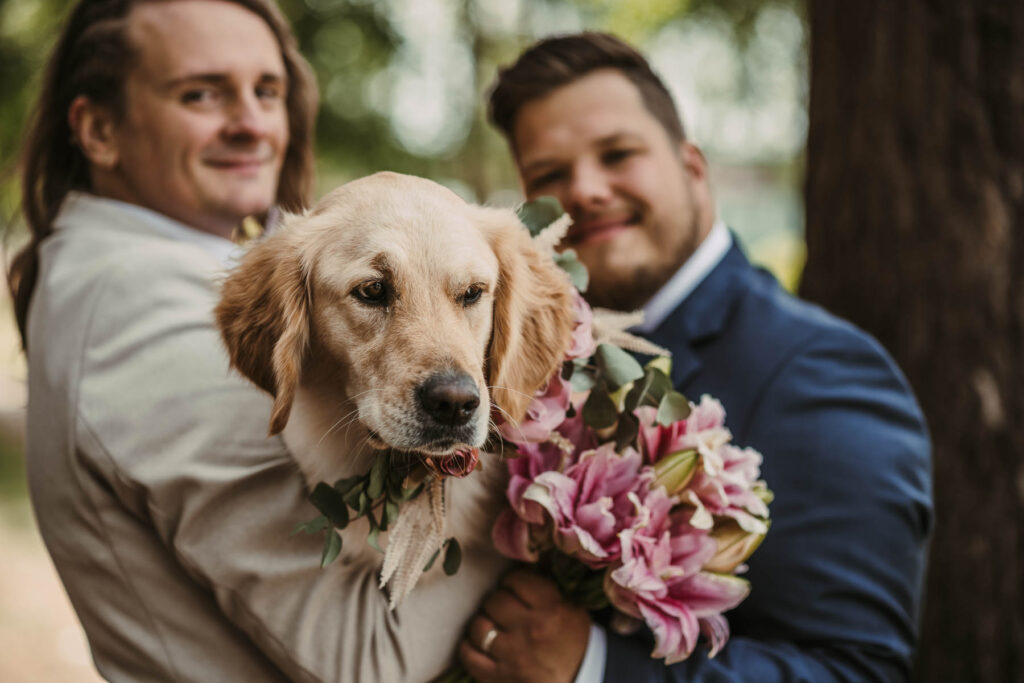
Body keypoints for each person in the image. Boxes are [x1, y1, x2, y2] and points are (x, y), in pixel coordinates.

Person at [7, 1, 506, 680]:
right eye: (202, 93)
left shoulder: (121, 270)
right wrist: (538, 502)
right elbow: (367, 660)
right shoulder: (137, 309)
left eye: (267, 91)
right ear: (98, 130)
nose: (252, 124)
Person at [459, 32, 933, 682]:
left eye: (618, 153)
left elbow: (857, 670)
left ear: (693, 167)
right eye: (549, 176)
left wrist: (592, 666)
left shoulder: (822, 371)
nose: (586, 189)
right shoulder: (524, 360)